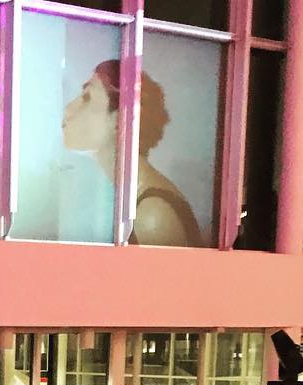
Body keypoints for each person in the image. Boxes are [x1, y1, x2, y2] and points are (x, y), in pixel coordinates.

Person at [62, 60, 203, 247]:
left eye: (87, 97)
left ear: (120, 118)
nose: (68, 109)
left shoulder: (153, 214)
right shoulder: (120, 196)